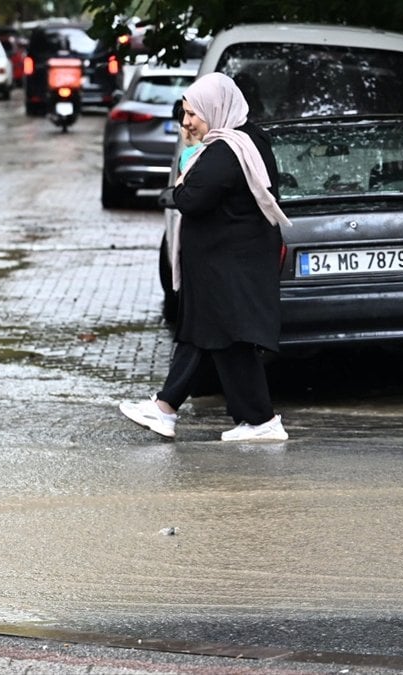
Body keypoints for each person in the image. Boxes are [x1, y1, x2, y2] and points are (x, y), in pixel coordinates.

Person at [120, 72, 290, 442]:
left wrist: (179, 185)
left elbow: (192, 198)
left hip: (226, 264)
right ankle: (256, 420)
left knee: (215, 335)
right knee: (216, 337)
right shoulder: (247, 140)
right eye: (184, 114)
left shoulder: (226, 150)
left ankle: (170, 410)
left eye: (193, 114)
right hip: (226, 263)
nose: (187, 122)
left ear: (215, 108)